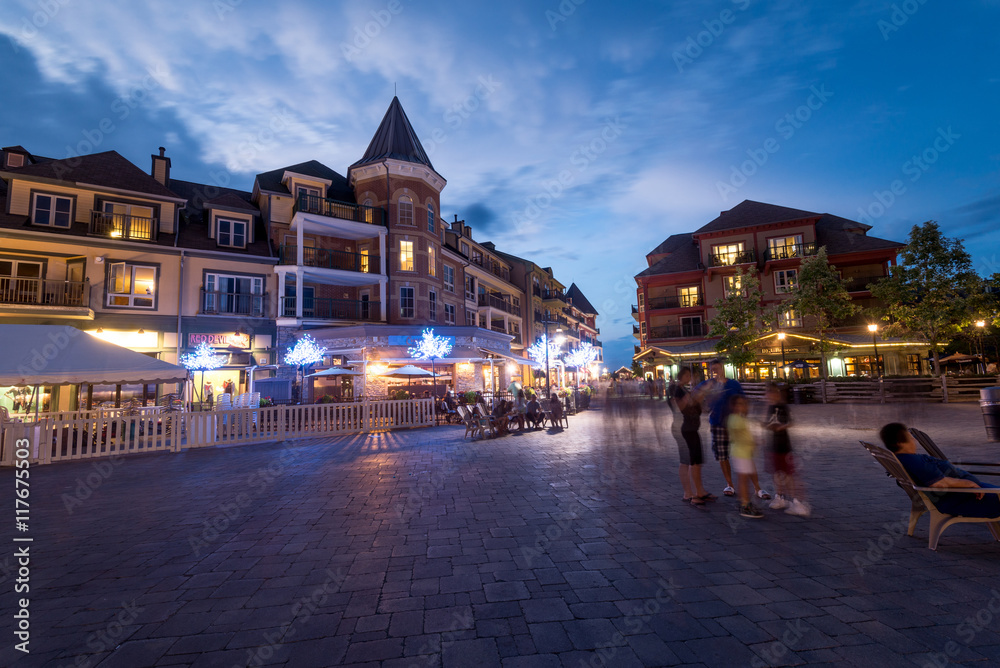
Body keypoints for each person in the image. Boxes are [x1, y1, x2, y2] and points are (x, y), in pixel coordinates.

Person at [879, 423, 1000, 518]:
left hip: (966, 494)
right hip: (963, 499)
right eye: (910, 438)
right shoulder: (912, 461)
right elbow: (939, 483)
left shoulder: (904, 459)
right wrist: (969, 484)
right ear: (900, 443)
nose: (914, 440)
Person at [704, 360, 769, 500]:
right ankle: (729, 484)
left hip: (735, 424)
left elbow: (744, 401)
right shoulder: (709, 385)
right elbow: (703, 402)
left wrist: (743, 418)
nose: (714, 371)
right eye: (712, 369)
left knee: (745, 456)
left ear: (722, 368)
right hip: (718, 424)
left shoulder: (733, 384)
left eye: (716, 368)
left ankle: (757, 487)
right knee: (722, 455)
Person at [762, 383, 810, 517]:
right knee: (777, 473)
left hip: (783, 445)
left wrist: (779, 427)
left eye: (769, 393)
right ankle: (780, 497)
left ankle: (796, 502)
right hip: (773, 445)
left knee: (787, 474)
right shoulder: (771, 407)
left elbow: (789, 423)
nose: (767, 396)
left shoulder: (782, 407)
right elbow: (769, 423)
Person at [672, 368, 712, 507]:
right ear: (681, 376)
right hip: (684, 429)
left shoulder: (685, 390)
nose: (689, 377)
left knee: (697, 460)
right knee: (688, 461)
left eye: (690, 375)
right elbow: (681, 407)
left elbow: (695, 404)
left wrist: (700, 395)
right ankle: (689, 493)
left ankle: (699, 491)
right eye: (687, 375)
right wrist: (693, 395)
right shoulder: (677, 390)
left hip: (692, 428)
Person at [728, 395, 764, 519]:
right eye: (740, 404)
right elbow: (739, 435)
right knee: (743, 479)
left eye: (744, 404)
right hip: (740, 453)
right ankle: (745, 505)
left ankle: (742, 499)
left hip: (744, 453)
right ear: (734, 406)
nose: (744, 406)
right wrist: (754, 441)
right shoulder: (735, 419)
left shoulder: (738, 418)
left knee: (743, 478)